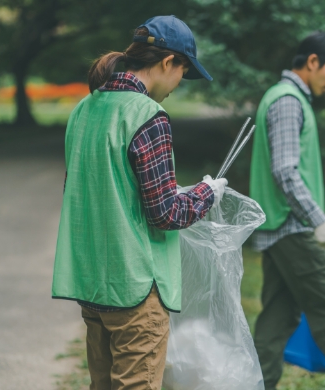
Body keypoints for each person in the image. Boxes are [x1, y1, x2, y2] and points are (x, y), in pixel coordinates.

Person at [51, 15, 227, 390]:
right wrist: (207, 194)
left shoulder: (84, 110)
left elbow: (93, 190)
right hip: (136, 291)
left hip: (94, 285)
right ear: (167, 63)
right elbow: (166, 214)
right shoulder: (149, 115)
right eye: (183, 72)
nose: (179, 84)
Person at [250, 32, 325, 390]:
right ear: (312, 62)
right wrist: (320, 223)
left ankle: (256, 384)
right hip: (293, 227)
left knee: (278, 316)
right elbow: (285, 171)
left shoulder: (285, 97)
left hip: (281, 226)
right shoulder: (287, 101)